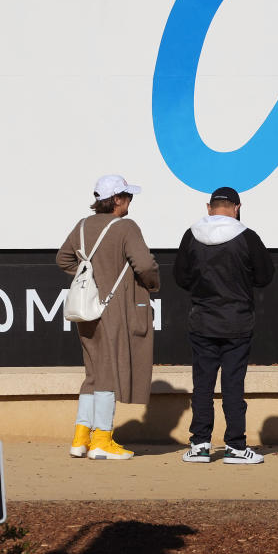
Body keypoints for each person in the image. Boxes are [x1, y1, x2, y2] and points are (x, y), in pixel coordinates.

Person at [56, 174, 161, 460]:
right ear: (116, 199)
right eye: (127, 196)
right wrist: (152, 284)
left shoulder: (82, 226)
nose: (130, 201)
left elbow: (63, 258)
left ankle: (81, 438)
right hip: (114, 308)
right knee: (108, 373)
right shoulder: (126, 227)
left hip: (87, 306)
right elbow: (145, 264)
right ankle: (102, 439)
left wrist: (89, 278)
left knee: (94, 372)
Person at [173, 187, 275, 464]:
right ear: (237, 207)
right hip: (237, 322)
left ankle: (199, 445)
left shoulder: (191, 235)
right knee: (233, 386)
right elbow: (265, 275)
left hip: (203, 321)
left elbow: (180, 277)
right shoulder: (247, 237)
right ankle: (236, 447)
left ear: (209, 207)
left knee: (202, 385)